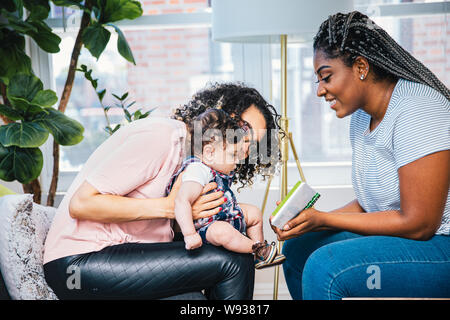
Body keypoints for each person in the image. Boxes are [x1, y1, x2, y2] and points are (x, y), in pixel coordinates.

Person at [43, 82, 281, 300]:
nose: (246, 145)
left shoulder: (196, 166)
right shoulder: (162, 138)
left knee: (194, 298)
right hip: (74, 268)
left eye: (254, 142)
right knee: (233, 261)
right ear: (220, 110)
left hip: (122, 256)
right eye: (244, 128)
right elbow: (81, 204)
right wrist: (170, 207)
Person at [273, 11, 450, 300]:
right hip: (412, 236)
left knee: (324, 267)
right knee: (300, 247)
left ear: (361, 67)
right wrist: (310, 220)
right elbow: (374, 204)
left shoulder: (418, 109)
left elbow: (419, 223)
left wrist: (325, 220)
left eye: (326, 77)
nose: (319, 91)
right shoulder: (360, 118)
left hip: (441, 247)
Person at [170, 108, 285, 269]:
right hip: (205, 227)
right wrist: (189, 234)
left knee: (254, 213)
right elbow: (181, 201)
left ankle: (260, 252)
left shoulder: (215, 168)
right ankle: (257, 250)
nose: (237, 161)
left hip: (223, 214)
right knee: (223, 232)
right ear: (209, 153)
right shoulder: (198, 170)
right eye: (233, 155)